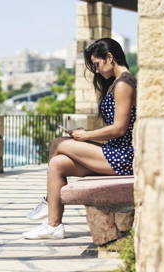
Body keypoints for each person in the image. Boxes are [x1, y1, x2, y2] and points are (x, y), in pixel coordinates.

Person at [22, 38, 137, 239]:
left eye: (97, 64)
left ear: (109, 57)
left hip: (123, 157)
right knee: (57, 164)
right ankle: (53, 225)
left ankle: (49, 201)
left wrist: (86, 135)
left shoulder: (124, 84)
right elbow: (115, 127)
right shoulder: (115, 84)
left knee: (59, 143)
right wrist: (87, 134)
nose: (97, 69)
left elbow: (119, 129)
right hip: (113, 151)